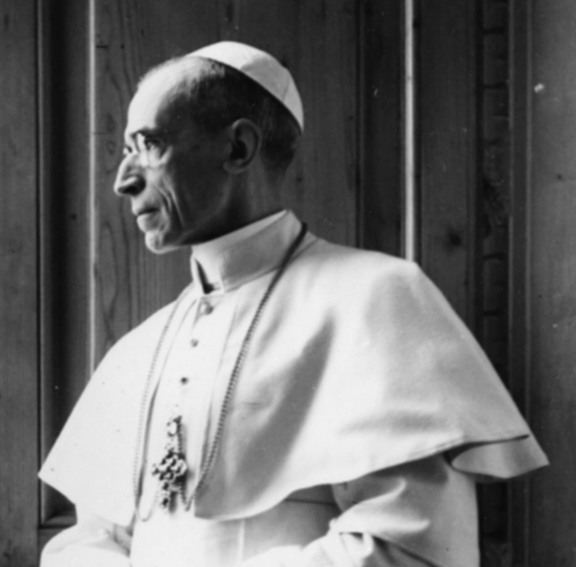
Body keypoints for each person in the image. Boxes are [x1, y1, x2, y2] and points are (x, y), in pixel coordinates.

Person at [38, 41, 548, 566]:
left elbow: (412, 542)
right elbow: (85, 541)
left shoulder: (377, 298)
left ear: (238, 148)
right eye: (125, 151)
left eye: (148, 145)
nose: (124, 181)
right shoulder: (137, 349)